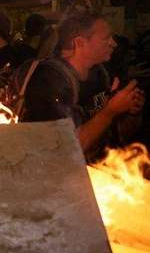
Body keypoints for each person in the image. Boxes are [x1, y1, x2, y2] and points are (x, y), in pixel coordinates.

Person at [20, 12, 145, 161]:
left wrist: (131, 110)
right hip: (62, 178)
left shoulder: (101, 74)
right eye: (106, 38)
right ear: (80, 43)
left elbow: (118, 133)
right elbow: (66, 149)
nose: (114, 43)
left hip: (99, 169)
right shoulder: (50, 80)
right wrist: (111, 110)